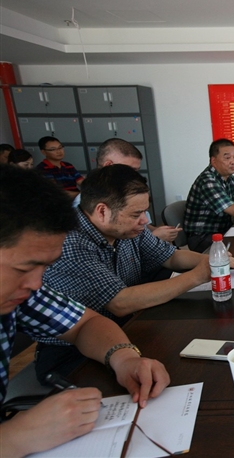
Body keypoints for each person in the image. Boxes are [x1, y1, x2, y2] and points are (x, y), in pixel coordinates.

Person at [0, 165, 170, 457]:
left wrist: (124, 357)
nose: (37, 283)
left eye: (44, 267)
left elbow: (85, 323)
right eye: (25, 268)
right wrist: (15, 436)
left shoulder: (21, 293)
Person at [36, 164, 234, 379]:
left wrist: (212, 260)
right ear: (102, 211)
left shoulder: (127, 228)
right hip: (74, 351)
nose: (145, 221)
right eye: (136, 214)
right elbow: (119, 302)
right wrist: (196, 276)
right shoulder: (71, 242)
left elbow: (170, 256)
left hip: (129, 325)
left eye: (144, 211)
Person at [74, 138, 181, 243]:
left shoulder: (129, 196)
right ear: (109, 166)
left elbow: (143, 228)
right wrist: (154, 237)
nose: (135, 176)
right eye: (130, 170)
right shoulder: (87, 206)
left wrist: (155, 233)